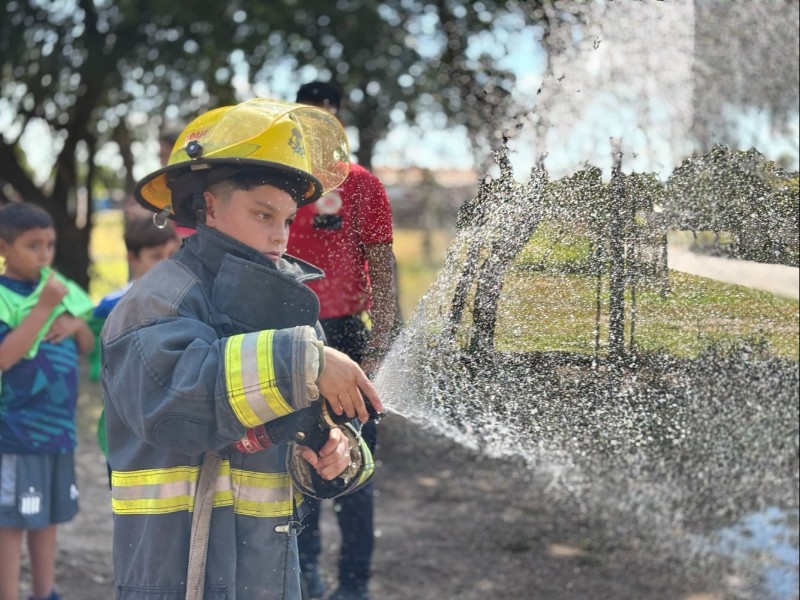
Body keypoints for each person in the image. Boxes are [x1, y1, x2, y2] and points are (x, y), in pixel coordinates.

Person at [99, 97, 384, 599]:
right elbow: (177, 397)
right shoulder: (156, 303)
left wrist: (333, 447)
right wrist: (308, 362)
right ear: (208, 205)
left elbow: (320, 428)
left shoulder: (289, 311)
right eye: (262, 214)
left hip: (266, 576)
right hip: (175, 574)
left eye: (289, 220)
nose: (280, 236)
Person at [289, 81, 398, 600]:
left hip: (350, 334)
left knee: (357, 467)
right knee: (299, 459)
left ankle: (354, 584)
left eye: (328, 121)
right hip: (290, 338)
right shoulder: (280, 183)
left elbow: (381, 262)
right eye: (308, 121)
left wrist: (382, 345)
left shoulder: (362, 185)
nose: (319, 131)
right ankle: (303, 574)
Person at [0, 202, 95, 600]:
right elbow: (4, 358)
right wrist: (42, 309)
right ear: (3, 247)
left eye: (50, 245)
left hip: (58, 429)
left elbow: (88, 346)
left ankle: (45, 591)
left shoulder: (61, 287)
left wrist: (74, 322)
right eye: (32, 245)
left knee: (47, 516)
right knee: (11, 520)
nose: (44, 255)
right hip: (16, 432)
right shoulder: (6, 296)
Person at [90, 216, 180, 460]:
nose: (165, 263)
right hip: (124, 430)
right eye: (155, 255)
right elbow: (104, 369)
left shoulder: (189, 301)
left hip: (170, 432)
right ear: (132, 258)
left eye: (171, 253)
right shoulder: (111, 306)